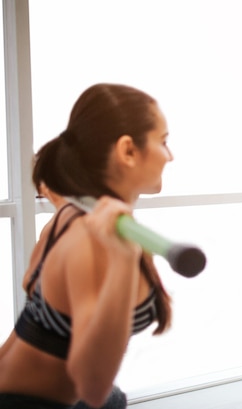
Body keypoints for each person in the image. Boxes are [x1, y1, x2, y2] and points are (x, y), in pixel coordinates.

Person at [0, 83, 174, 409]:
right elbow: (93, 388)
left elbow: (54, 189)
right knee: (108, 398)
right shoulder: (91, 241)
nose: (171, 155)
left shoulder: (70, 210)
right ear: (128, 151)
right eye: (163, 141)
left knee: (115, 398)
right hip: (24, 402)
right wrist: (123, 260)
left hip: (16, 381)